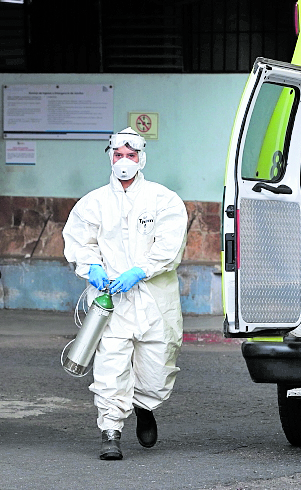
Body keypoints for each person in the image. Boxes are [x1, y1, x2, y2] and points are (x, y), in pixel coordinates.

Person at [63, 127, 188, 460]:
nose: (124, 162)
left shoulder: (164, 201)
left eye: (130, 156)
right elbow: (80, 242)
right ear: (110, 157)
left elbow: (170, 245)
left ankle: (144, 406)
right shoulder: (93, 203)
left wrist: (140, 270)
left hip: (153, 301)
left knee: (158, 367)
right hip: (109, 302)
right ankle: (111, 431)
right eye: (118, 155)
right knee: (110, 367)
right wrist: (92, 267)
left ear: (141, 159)